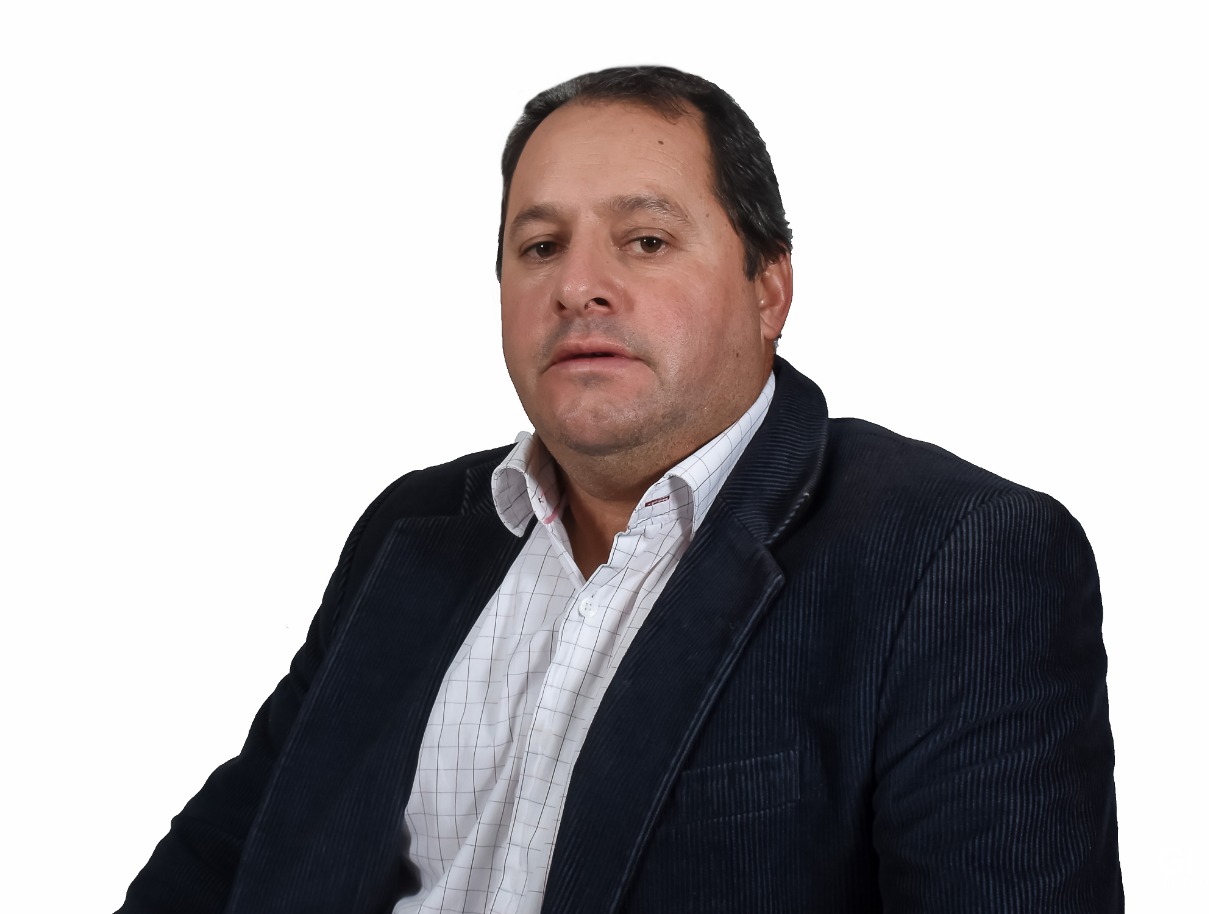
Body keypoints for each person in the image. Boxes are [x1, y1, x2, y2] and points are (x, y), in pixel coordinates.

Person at [117, 65, 1122, 913]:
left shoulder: (954, 556)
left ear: (768, 287)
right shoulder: (411, 530)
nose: (576, 286)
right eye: (540, 247)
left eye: (644, 241)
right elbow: (224, 857)